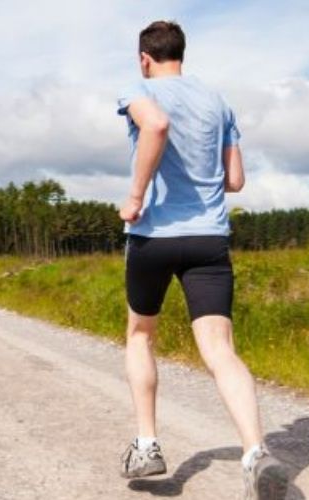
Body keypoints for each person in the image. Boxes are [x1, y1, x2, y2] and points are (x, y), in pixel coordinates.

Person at [113, 19, 269, 497]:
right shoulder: (218, 102)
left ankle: (146, 444)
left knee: (141, 335)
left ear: (144, 58)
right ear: (182, 54)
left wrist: (136, 196)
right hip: (209, 238)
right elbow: (235, 179)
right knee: (220, 349)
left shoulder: (138, 90)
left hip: (154, 236)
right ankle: (256, 451)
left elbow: (156, 124)